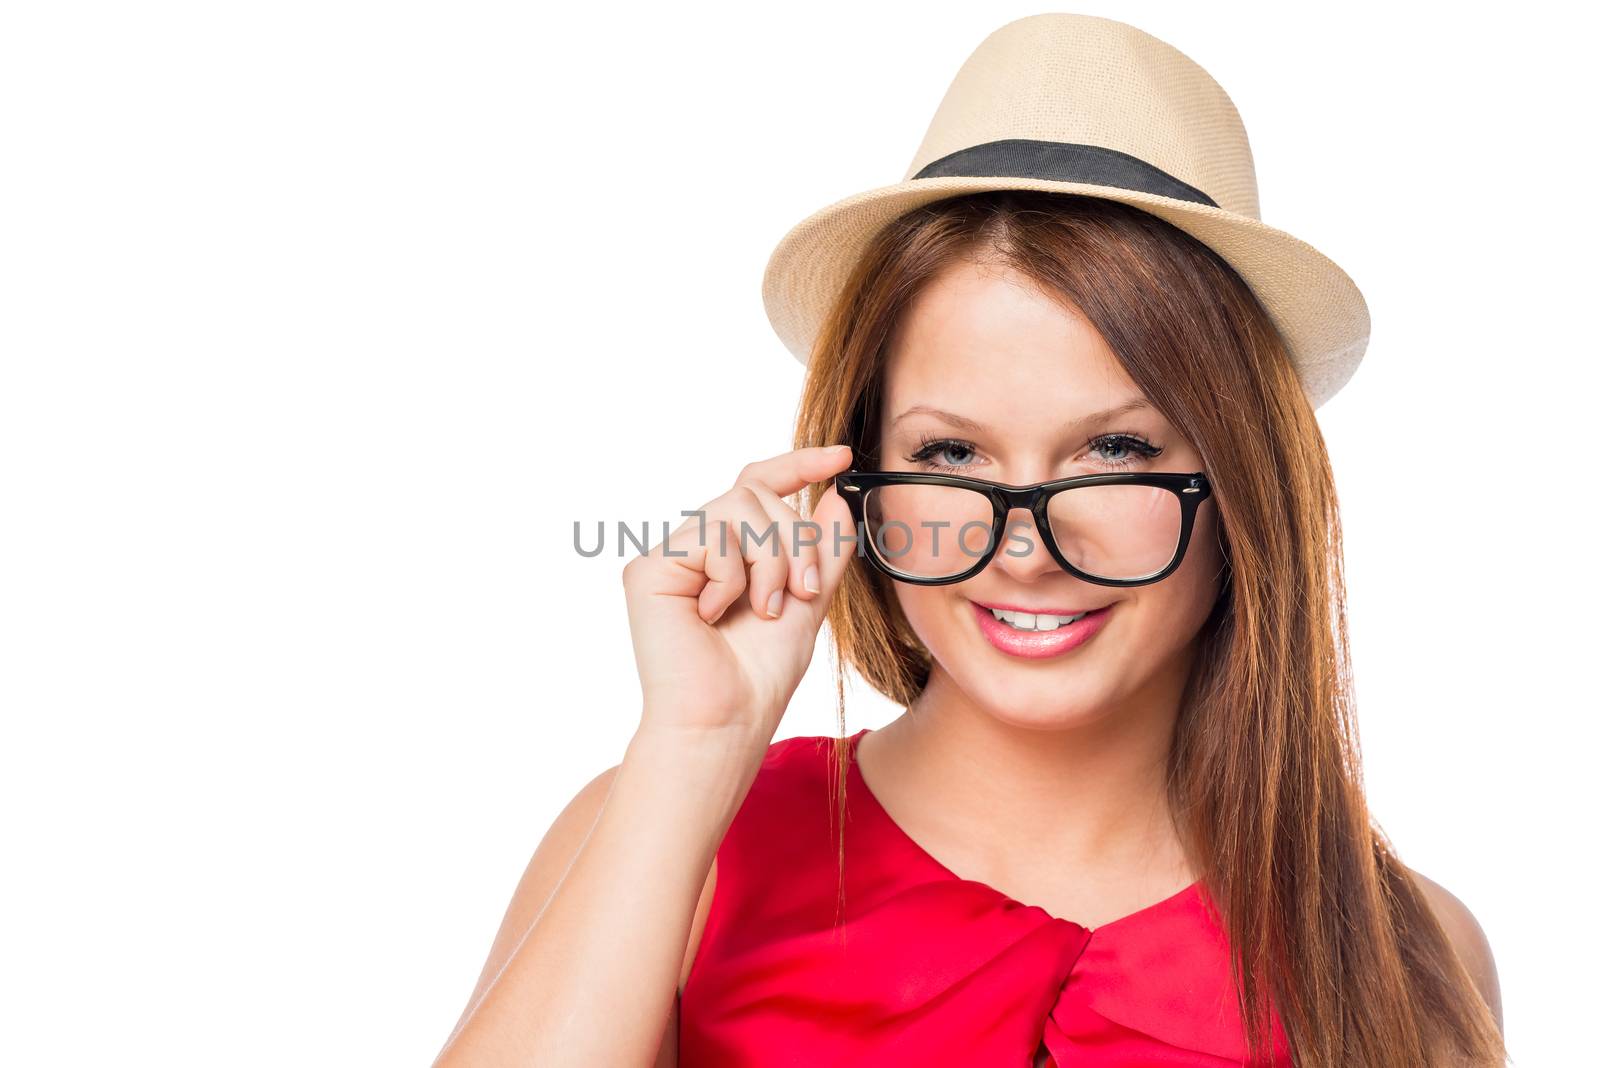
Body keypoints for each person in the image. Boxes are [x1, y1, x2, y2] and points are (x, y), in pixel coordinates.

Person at [432, 14, 1506, 1067]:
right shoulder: (672, 842)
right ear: (854, 482)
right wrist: (695, 743)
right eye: (950, 457)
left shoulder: (1401, 956)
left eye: (1116, 452)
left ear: (1242, 492)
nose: (1025, 550)